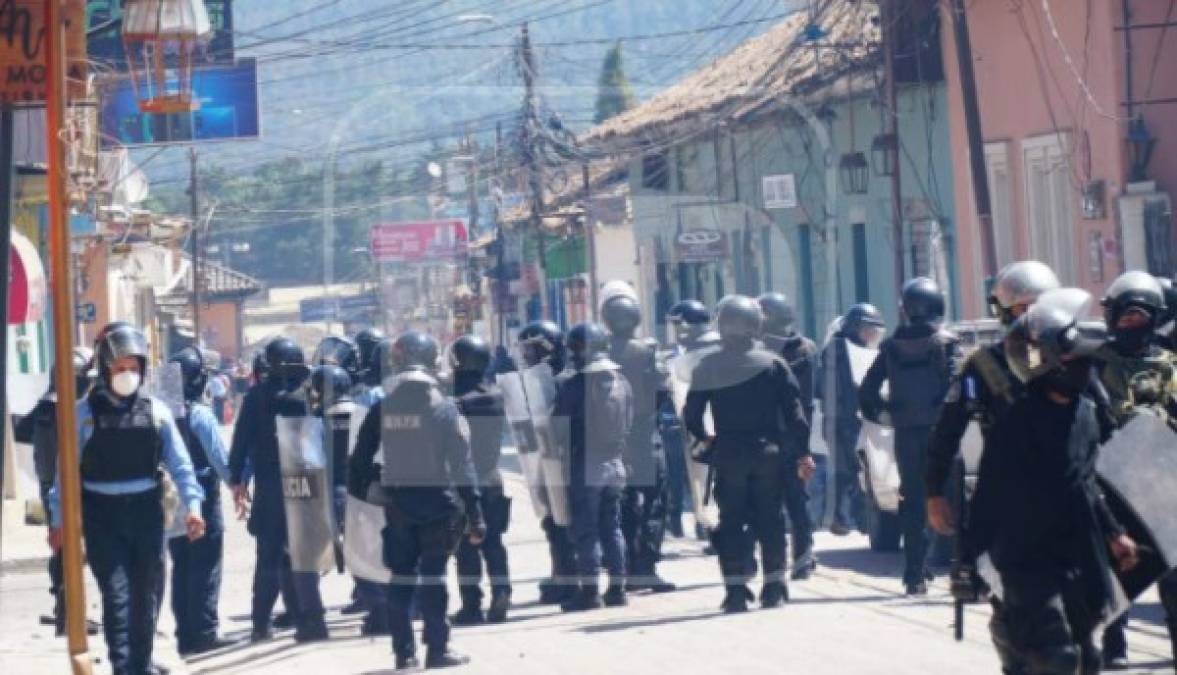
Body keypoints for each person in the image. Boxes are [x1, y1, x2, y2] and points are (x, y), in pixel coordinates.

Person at [972, 294, 1138, 674]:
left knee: (1088, 657)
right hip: (1026, 555)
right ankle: (1013, 633)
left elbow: (1085, 482)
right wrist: (967, 559)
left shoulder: (1085, 414)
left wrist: (1114, 533)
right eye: (1072, 359)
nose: (1082, 367)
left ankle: (1016, 646)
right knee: (1058, 657)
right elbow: (989, 492)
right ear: (1047, 364)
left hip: (1078, 551)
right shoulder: (1015, 422)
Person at [47, 326, 208, 675]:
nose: (127, 375)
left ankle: (140, 664)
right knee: (116, 596)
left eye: (133, 368)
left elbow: (182, 465)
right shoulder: (83, 414)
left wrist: (194, 507)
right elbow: (65, 473)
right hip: (102, 517)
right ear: (105, 369)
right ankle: (124, 667)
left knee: (146, 596)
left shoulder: (156, 411)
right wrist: (58, 519)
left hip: (146, 514)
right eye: (120, 368)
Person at [349, 331, 484, 670]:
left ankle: (404, 654)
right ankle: (437, 650)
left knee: (400, 578)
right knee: (434, 578)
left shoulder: (383, 407)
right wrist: (476, 513)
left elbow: (358, 461)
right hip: (439, 506)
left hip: (398, 506)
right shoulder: (445, 408)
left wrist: (367, 495)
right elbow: (463, 466)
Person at [683, 296, 813, 613]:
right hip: (769, 452)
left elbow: (692, 415)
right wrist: (801, 453)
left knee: (731, 522)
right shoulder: (774, 364)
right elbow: (796, 416)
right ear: (757, 324)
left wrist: (705, 441)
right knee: (770, 518)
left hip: (728, 454)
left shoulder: (708, 366)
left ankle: (736, 592)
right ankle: (774, 588)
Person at [927, 260, 1060, 534]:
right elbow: (947, 431)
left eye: (1040, 307)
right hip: (1008, 488)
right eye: (1024, 308)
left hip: (1063, 484)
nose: (1033, 316)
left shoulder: (1070, 358)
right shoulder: (984, 366)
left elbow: (1103, 417)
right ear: (1005, 312)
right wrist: (935, 492)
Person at [1094, 271, 1177, 667]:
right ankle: (1115, 645)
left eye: (1140, 319)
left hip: (1162, 479)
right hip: (1115, 479)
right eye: (1126, 318)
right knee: (1116, 567)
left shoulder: (1169, 364)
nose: (1133, 325)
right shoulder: (1095, 364)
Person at [859, 278, 961, 595]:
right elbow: (960, 385)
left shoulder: (890, 346)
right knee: (951, 498)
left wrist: (885, 413)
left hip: (906, 435)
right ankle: (962, 571)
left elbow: (866, 391)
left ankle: (915, 573)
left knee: (913, 500)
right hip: (941, 434)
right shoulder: (947, 342)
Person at [228, 337, 329, 643]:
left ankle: (261, 624)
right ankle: (309, 620)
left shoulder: (256, 396)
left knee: (268, 557)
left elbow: (240, 441)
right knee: (303, 555)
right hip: (303, 480)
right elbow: (322, 443)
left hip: (270, 487)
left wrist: (237, 480)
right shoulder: (309, 395)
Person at [15, 347, 94, 635]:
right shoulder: (69, 409)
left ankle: (68, 611)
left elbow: (21, 431)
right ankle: (69, 614)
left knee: (64, 548)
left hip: (52, 486)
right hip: (68, 488)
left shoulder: (46, 406)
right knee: (71, 551)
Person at [555, 322, 633, 612]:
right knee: (612, 526)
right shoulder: (622, 382)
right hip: (616, 464)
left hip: (586, 466)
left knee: (586, 530)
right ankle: (618, 588)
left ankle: (590, 593)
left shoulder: (572, 386)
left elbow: (557, 429)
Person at [602, 294, 676, 594]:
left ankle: (623, 565)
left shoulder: (598, 350)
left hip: (609, 438)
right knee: (654, 503)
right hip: (644, 434)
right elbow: (662, 391)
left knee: (620, 504)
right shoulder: (647, 351)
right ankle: (645, 567)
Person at [167, 347, 236, 655]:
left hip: (171, 500)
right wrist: (236, 483)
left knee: (181, 565)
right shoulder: (200, 414)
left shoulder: (161, 412)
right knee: (206, 565)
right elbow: (219, 459)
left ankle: (185, 633)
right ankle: (205, 631)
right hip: (203, 498)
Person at [448, 335, 513, 625]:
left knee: (467, 545)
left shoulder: (456, 401)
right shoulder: (496, 395)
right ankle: (502, 589)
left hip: (464, 480)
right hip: (493, 477)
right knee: (494, 541)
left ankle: (472, 604)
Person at [515, 320, 579, 605]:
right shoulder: (536, 381)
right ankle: (561, 575)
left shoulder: (563, 380)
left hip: (566, 461)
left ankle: (569, 579)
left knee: (564, 523)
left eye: (531, 350)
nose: (526, 356)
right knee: (553, 523)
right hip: (545, 460)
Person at [758, 292, 818, 580]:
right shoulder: (798, 348)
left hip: (784, 434)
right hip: (786, 433)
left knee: (792, 500)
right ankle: (799, 558)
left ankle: (801, 558)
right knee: (791, 500)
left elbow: (802, 399)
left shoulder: (800, 350)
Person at [817, 303, 886, 535]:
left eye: (874, 331)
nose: (871, 335)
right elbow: (830, 388)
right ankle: (841, 518)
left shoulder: (865, 352)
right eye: (867, 329)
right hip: (841, 420)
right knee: (845, 471)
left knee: (862, 470)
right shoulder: (837, 350)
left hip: (859, 417)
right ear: (854, 328)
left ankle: (861, 519)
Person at [661, 300, 719, 539]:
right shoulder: (679, 353)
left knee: (711, 478)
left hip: (714, 422)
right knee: (697, 478)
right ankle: (704, 523)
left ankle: (714, 527)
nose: (675, 331)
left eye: (678, 325)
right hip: (690, 423)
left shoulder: (716, 349)